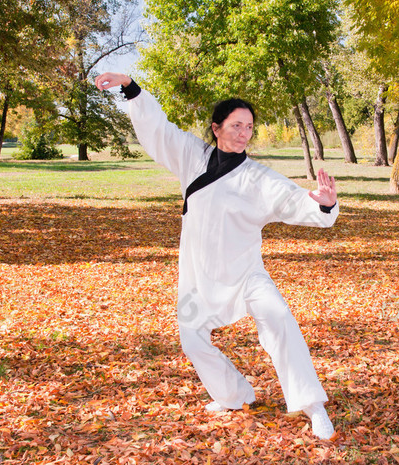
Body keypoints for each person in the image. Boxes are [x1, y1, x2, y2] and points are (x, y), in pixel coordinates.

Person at [94, 72, 338, 440]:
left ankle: (312, 405)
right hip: (197, 275)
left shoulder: (258, 178)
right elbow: (159, 129)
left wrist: (325, 204)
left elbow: (292, 200)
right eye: (236, 125)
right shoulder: (192, 155)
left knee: (280, 318)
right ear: (217, 127)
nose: (244, 133)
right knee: (191, 338)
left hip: (246, 275)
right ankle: (233, 395)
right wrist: (130, 87)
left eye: (250, 127)